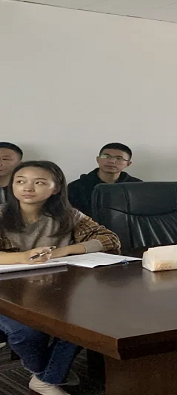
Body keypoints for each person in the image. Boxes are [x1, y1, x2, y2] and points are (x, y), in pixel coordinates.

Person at [0, 161, 120, 395]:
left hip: (53, 290)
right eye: (20, 181)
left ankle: (46, 378)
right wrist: (23, 257)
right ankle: (50, 373)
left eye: (39, 182)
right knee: (26, 331)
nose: (28, 187)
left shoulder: (67, 215)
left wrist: (64, 250)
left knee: (86, 321)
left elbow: (109, 239)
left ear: (55, 188)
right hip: (7, 293)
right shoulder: (2, 215)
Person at [67, 143, 142, 217]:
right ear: (98, 159)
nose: (111, 161)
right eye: (106, 156)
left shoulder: (137, 187)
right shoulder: (76, 187)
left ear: (128, 164)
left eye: (119, 158)